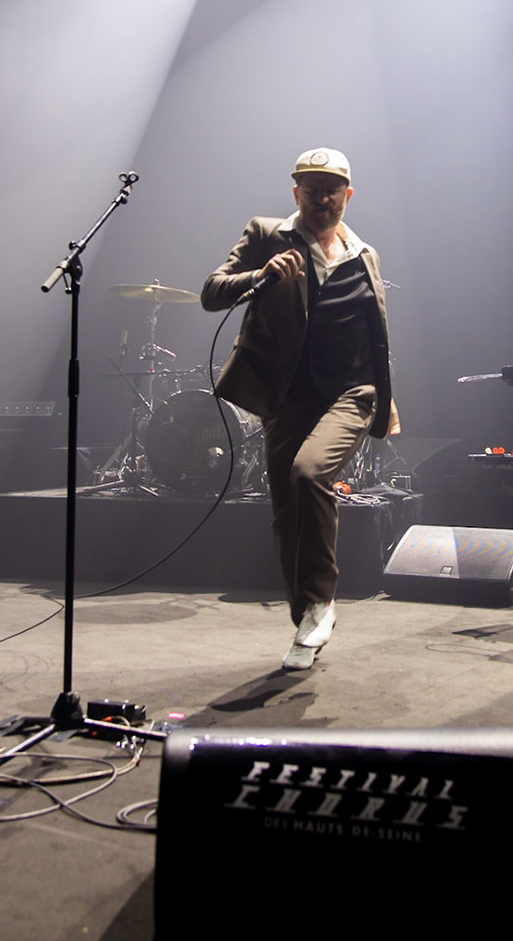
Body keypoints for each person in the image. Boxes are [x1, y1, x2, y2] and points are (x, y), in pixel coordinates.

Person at [202, 148, 397, 671]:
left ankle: (322, 600)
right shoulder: (268, 236)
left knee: (310, 475)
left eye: (332, 189)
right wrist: (260, 276)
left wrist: (387, 396)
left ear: (347, 196)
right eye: (311, 189)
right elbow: (211, 293)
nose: (322, 198)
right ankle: (307, 619)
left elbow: (376, 332)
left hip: (352, 393)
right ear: (296, 194)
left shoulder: (363, 253)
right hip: (287, 397)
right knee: (286, 515)